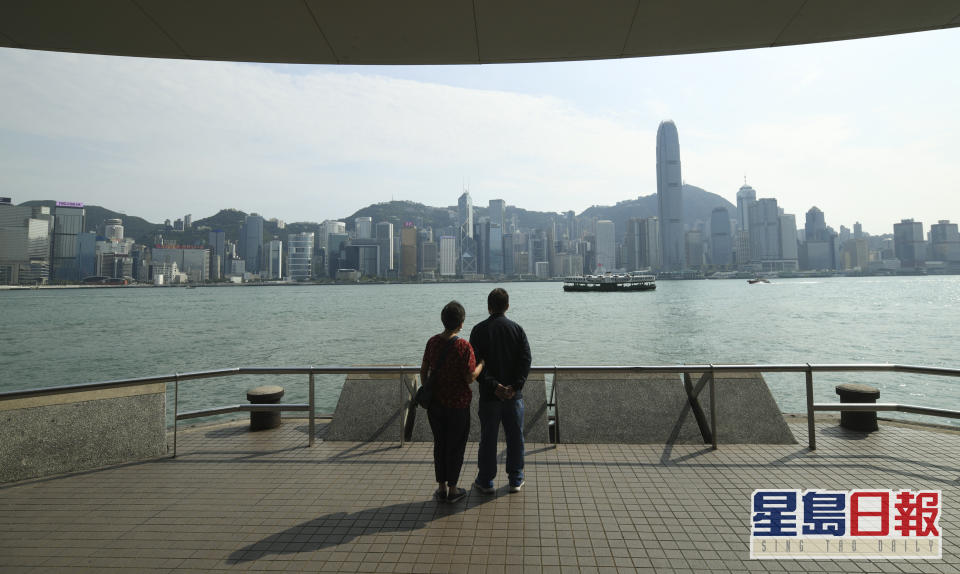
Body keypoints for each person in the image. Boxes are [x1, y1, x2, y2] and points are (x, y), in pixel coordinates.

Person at [420, 300, 483, 503]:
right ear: (461, 323)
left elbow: (423, 370)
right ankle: (453, 489)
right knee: (455, 446)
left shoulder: (432, 342)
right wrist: (482, 364)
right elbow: (470, 377)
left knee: (440, 445)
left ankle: (440, 488)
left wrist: (428, 388)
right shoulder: (464, 347)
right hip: (458, 405)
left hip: (436, 404)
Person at [470, 288, 532, 494]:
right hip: (514, 396)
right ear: (507, 306)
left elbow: (475, 366)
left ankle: (486, 480)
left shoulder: (478, 331)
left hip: (489, 396)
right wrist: (515, 386)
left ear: (489, 307)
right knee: (515, 437)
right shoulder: (517, 330)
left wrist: (494, 386)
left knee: (488, 438)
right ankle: (515, 478)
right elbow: (525, 361)